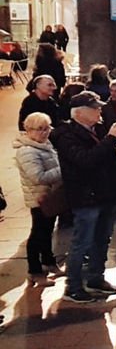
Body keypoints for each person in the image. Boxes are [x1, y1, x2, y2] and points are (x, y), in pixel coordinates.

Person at [52, 91, 116, 304]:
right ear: (80, 113)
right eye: (95, 108)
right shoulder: (66, 135)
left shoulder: (98, 129)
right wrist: (110, 140)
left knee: (102, 240)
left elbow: (103, 158)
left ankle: (96, 278)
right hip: (85, 197)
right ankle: (73, 286)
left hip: (105, 194)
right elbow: (85, 160)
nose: (99, 111)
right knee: (82, 242)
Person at [14, 112, 62, 286]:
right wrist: (64, 169)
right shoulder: (27, 151)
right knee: (38, 234)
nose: (45, 132)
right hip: (39, 197)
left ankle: (49, 262)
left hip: (50, 197)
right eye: (40, 129)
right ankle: (34, 270)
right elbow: (38, 177)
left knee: (48, 231)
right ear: (28, 130)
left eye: (47, 128)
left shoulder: (45, 145)